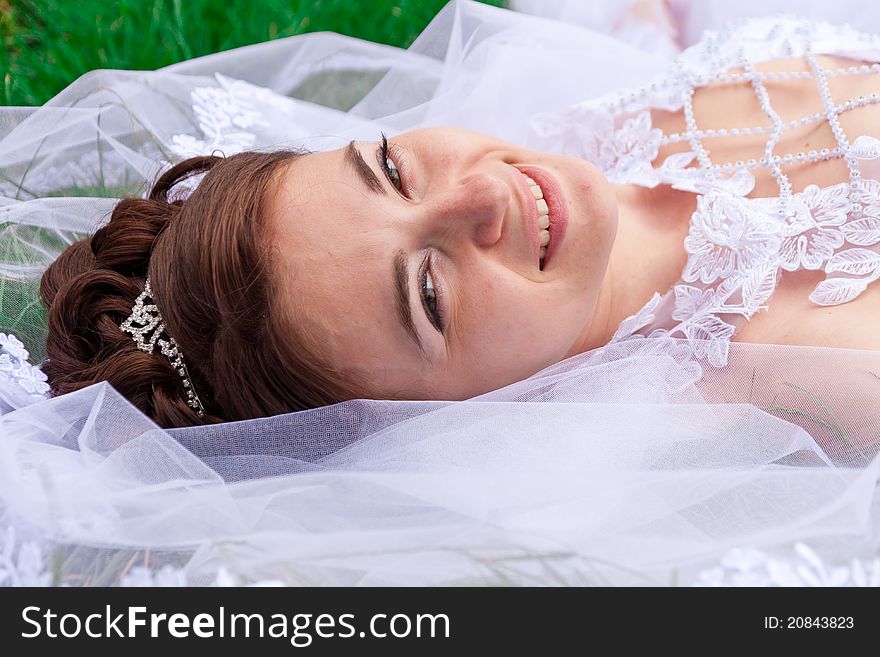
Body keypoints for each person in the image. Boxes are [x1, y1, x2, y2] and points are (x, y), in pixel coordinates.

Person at [2, 0, 880, 587]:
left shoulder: (569, 108)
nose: (484, 196)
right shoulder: (824, 369)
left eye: (390, 167)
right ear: (452, 423)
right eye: (428, 290)